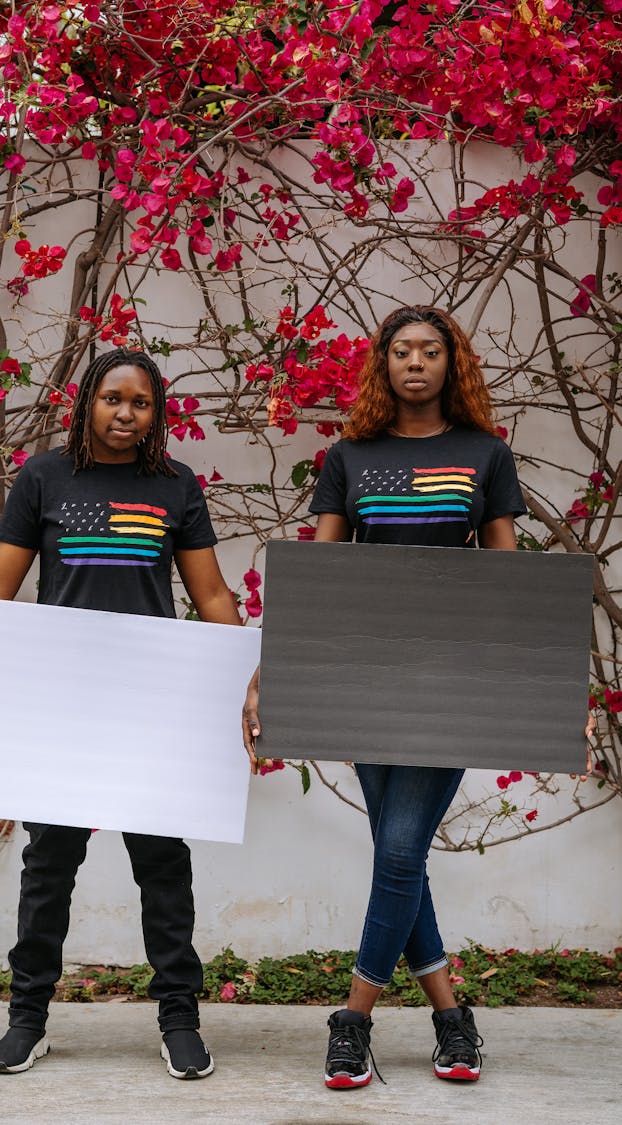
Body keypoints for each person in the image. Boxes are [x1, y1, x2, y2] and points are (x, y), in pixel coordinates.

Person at [242, 304, 595, 1090]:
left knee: (399, 847)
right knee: (401, 855)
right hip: (363, 681)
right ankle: (450, 1015)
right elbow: (321, 576)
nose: (415, 362)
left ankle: (354, 1018)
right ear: (383, 363)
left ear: (450, 363)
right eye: (401, 350)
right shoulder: (349, 456)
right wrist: (270, 667)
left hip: (456, 682)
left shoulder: (486, 454)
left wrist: (551, 689)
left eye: (430, 350)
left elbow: (510, 584)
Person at [0, 347, 242, 1078]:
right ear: (86, 402)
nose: (125, 413)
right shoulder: (43, 478)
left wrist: (249, 680)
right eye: (112, 398)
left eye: (140, 402)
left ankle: (180, 1018)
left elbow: (213, 595)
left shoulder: (175, 487)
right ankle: (27, 1017)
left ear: (155, 413)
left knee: (163, 864)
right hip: (61, 702)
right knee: (49, 866)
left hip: (150, 705)